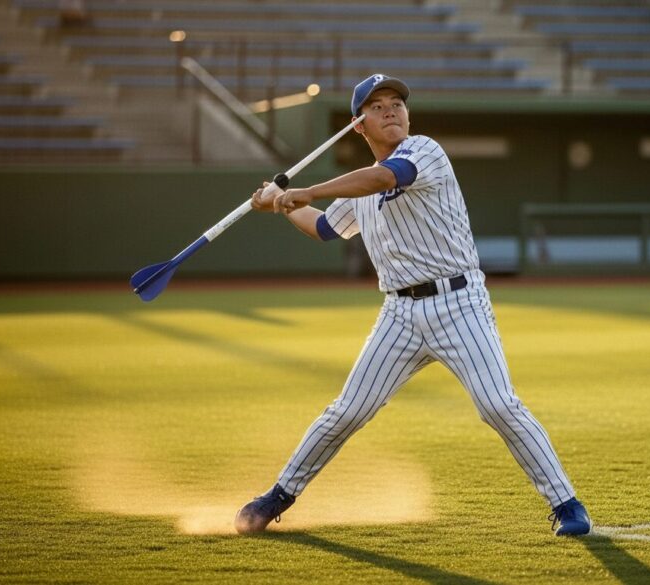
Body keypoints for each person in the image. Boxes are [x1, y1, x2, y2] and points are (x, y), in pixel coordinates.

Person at [234, 74, 591, 537]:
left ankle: (566, 504)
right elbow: (323, 228)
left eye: (397, 104)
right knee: (347, 411)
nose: (391, 111)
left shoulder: (424, 151)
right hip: (399, 314)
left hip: (458, 303)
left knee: (498, 406)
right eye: (377, 106)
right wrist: (279, 202)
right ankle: (275, 498)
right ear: (359, 125)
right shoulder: (357, 191)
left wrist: (309, 190)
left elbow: (385, 177)